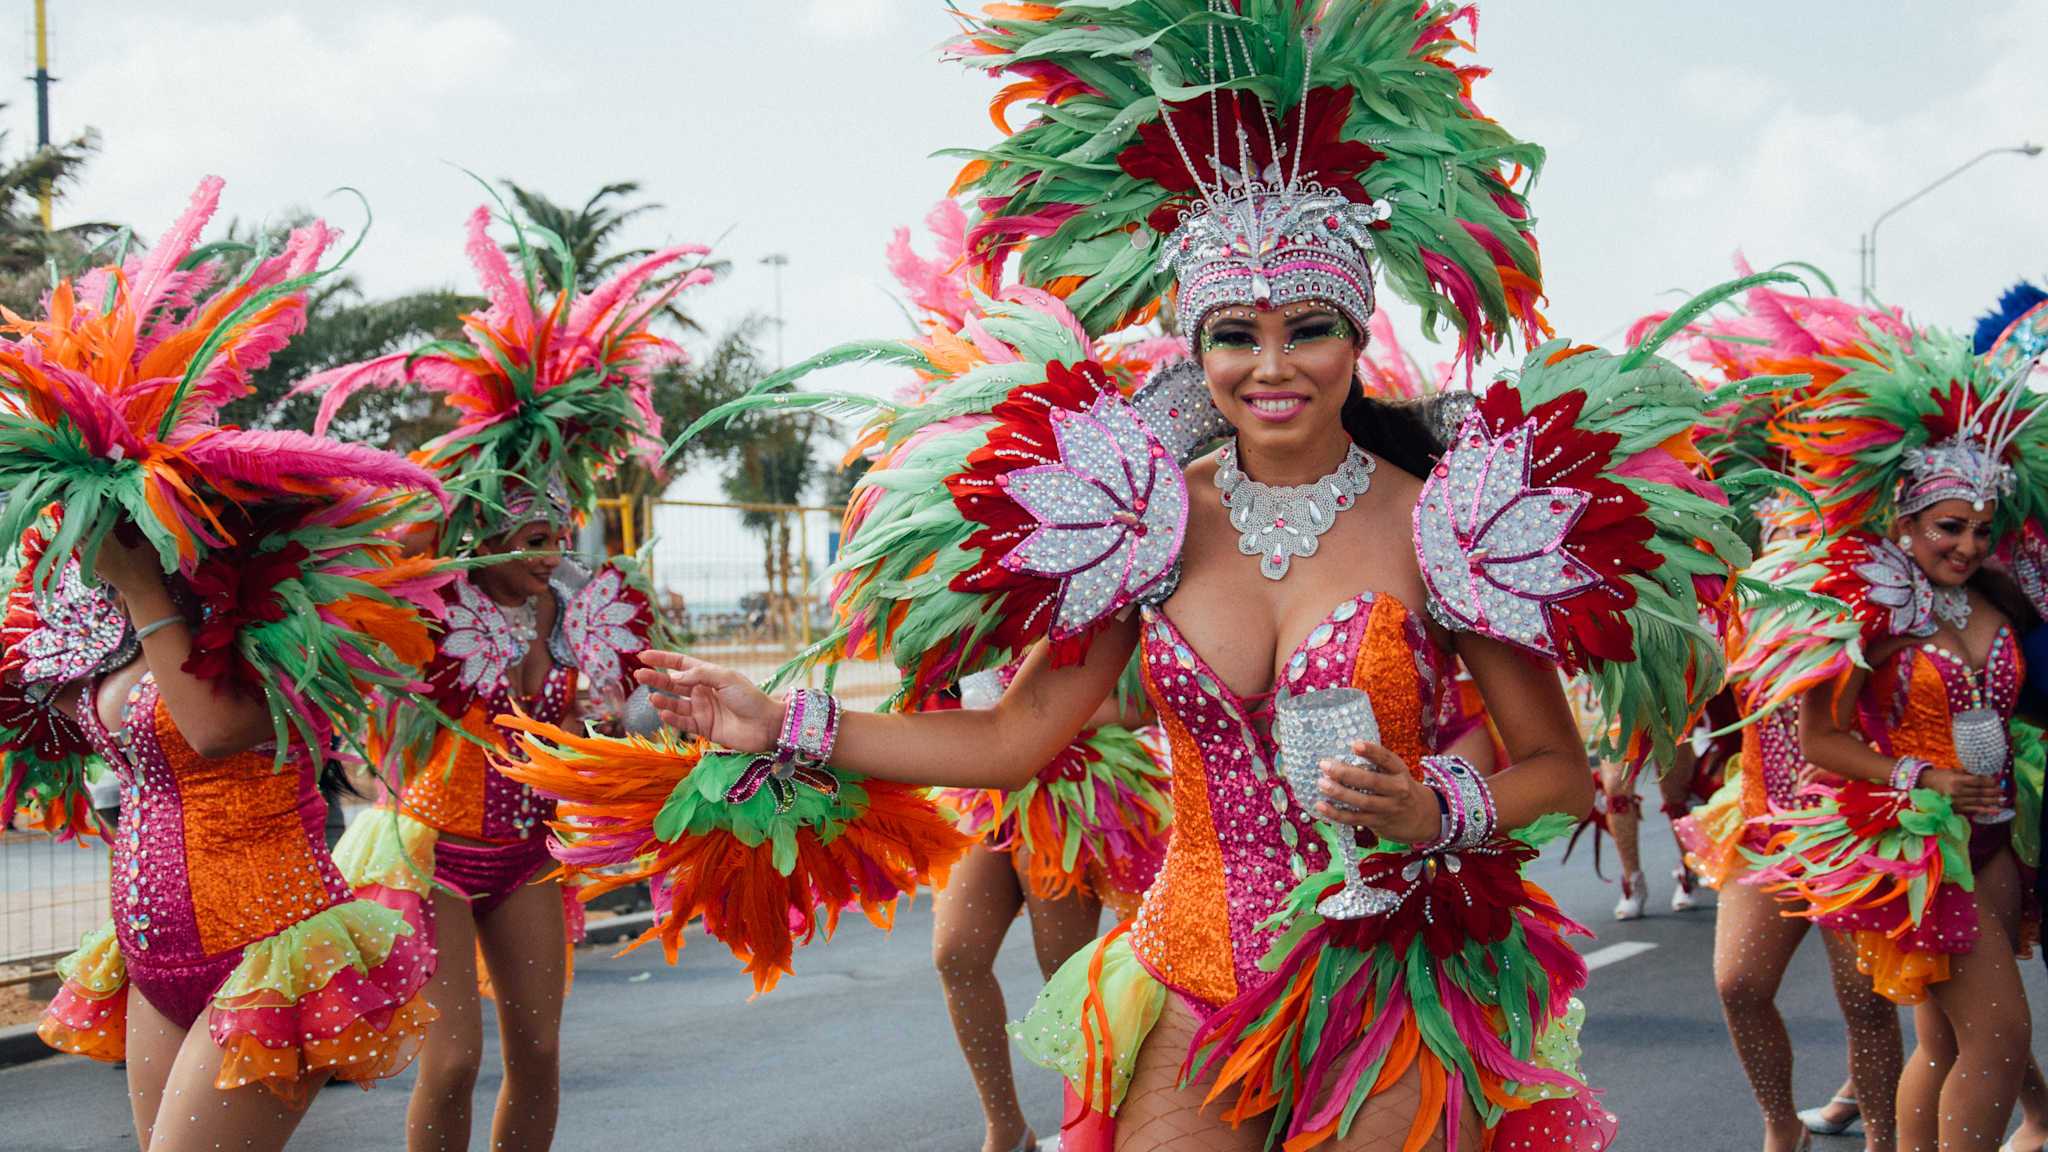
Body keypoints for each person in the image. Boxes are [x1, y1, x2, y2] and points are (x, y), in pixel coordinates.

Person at [608, 7, 1766, 1147]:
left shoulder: (1447, 519)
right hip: (1193, 958)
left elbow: (1559, 771)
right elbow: (1017, 740)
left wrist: (1434, 809)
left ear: (1356, 338)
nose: (1271, 367)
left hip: (1395, 969)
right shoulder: (1138, 518)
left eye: (1305, 328)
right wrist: (786, 723)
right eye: (1232, 334)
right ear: (1194, 346)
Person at [2, 179, 448, 1150]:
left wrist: (141, 587)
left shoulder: (278, 611)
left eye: (118, 510)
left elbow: (211, 727)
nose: (99, 534)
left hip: (266, 947)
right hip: (150, 956)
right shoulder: (120, 616)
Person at [308, 203, 706, 1152]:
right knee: (452, 1062)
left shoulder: (580, 614)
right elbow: (357, 675)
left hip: (526, 851)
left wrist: (646, 725)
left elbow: (619, 717)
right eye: (532, 540)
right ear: (479, 537)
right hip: (429, 851)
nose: (551, 555)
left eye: (560, 538)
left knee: (539, 1054)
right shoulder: (426, 616)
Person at [1740, 293, 2048, 1152]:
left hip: (1992, 829)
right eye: (1950, 527)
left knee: (1947, 1042)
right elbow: (1821, 741)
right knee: (2002, 1038)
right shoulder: (1860, 608)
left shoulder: (1995, 596)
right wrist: (1921, 778)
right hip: (1914, 842)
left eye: (1984, 530)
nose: (1968, 544)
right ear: (1903, 519)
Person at [931, 669, 1170, 1152]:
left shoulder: (1091, 593)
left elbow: (1146, 700)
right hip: (989, 783)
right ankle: (1007, 1132)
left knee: (1065, 975)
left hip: (1070, 787)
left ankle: (1093, 1131)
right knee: (957, 955)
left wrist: (1039, 718)